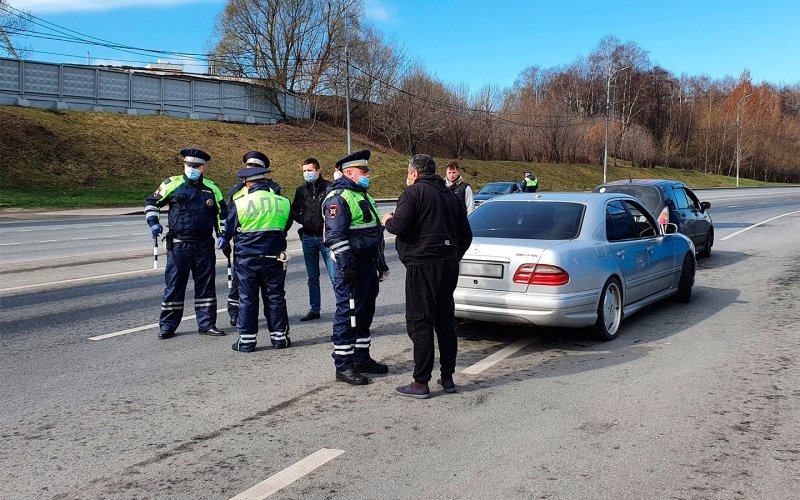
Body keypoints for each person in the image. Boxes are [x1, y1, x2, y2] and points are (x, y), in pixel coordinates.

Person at [383, 154, 473, 399]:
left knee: (420, 321)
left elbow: (398, 226)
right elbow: (466, 235)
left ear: (414, 173)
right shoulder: (451, 197)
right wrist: (454, 256)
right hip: (447, 265)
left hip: (422, 265)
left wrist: (388, 219)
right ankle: (447, 377)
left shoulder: (412, 193)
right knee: (445, 322)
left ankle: (420, 382)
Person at [322, 149, 390, 385]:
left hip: (368, 264)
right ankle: (343, 365)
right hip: (351, 266)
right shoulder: (338, 198)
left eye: (367, 171)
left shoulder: (362, 195)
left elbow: (375, 234)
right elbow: (336, 237)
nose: (367, 175)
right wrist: (348, 268)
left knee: (364, 313)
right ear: (349, 173)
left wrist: (380, 263)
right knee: (347, 314)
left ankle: (361, 357)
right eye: (363, 171)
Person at [144, 147, 227, 339]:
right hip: (179, 244)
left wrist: (222, 234)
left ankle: (207, 324)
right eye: (189, 165)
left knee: (206, 286)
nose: (192, 168)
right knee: (174, 285)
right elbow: (152, 203)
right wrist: (153, 223)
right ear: (184, 165)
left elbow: (222, 215)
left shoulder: (212, 189)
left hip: (204, 245)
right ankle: (168, 326)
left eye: (196, 166)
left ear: (203, 168)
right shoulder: (172, 184)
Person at [217, 162, 293, 352]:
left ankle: (247, 342)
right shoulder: (282, 201)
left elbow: (231, 228)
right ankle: (279, 339)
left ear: (248, 184)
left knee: (248, 299)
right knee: (275, 298)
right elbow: (285, 226)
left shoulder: (240, 203)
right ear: (265, 182)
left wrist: (225, 240)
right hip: (274, 258)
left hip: (247, 260)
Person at [225, 151, 282, 327]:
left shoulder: (273, 189)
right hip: (242, 243)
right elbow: (229, 215)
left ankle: (262, 322)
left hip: (267, 244)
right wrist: (226, 236)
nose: (250, 169)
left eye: (255, 167)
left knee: (268, 290)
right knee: (238, 282)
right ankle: (235, 313)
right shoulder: (236, 190)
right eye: (249, 166)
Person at [291, 158, 335, 322]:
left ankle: (342, 307)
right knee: (312, 277)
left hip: (325, 239)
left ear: (318, 170)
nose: (307, 174)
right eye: (304, 171)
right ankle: (314, 309)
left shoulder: (329, 187)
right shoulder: (301, 190)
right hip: (308, 237)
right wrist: (303, 220)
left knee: (334, 276)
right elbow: (294, 209)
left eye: (309, 170)